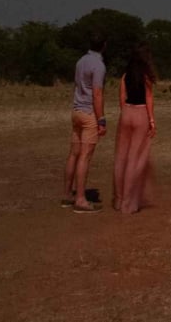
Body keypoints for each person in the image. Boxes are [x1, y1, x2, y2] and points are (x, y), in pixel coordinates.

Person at [112, 42, 158, 213]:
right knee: (135, 158)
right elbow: (149, 98)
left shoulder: (125, 76)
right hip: (140, 115)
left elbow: (121, 98)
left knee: (121, 157)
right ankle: (129, 202)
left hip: (126, 114)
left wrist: (125, 113)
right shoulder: (146, 76)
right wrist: (151, 121)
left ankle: (118, 198)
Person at [64, 33, 107, 213]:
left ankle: (67, 195)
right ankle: (81, 199)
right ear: (104, 45)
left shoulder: (80, 61)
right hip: (89, 113)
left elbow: (77, 86)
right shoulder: (99, 65)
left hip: (76, 111)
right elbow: (97, 93)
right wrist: (101, 119)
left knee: (74, 153)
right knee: (85, 156)